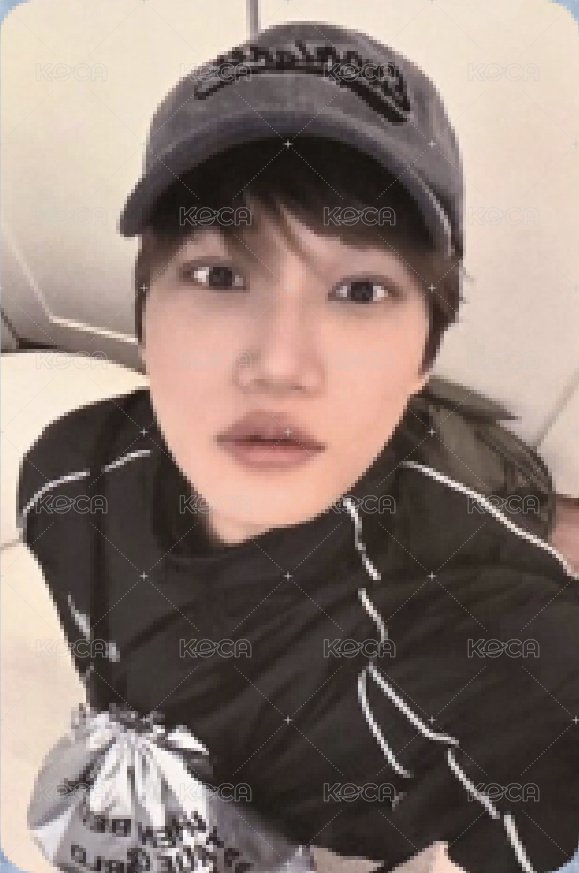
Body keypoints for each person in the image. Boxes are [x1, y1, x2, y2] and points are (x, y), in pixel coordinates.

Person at [17, 20, 579, 873]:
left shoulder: (494, 640)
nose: (278, 363)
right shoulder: (62, 480)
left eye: (360, 290)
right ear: (145, 313)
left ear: (424, 352)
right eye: (220, 274)